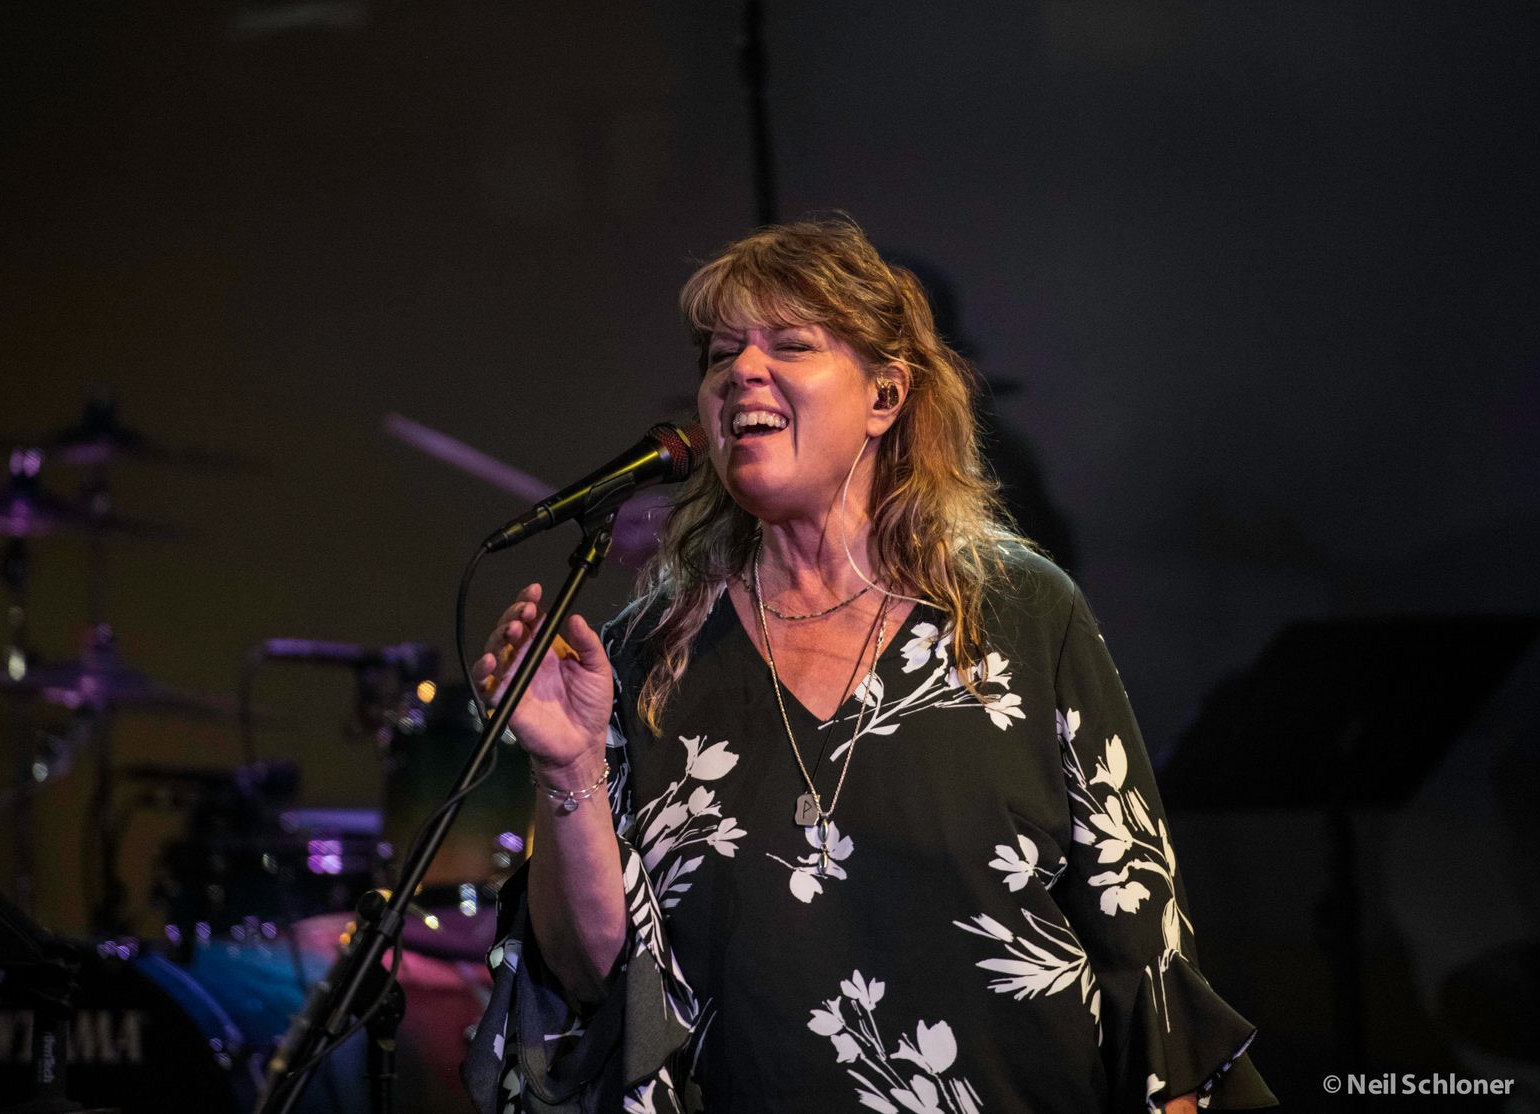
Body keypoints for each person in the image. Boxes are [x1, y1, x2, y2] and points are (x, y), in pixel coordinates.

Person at [463, 218, 1276, 1113]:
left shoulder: (1019, 614)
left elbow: (1142, 952)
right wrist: (567, 765)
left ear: (885, 396)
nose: (742, 372)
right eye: (722, 354)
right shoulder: (647, 653)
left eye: (790, 345)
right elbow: (593, 981)